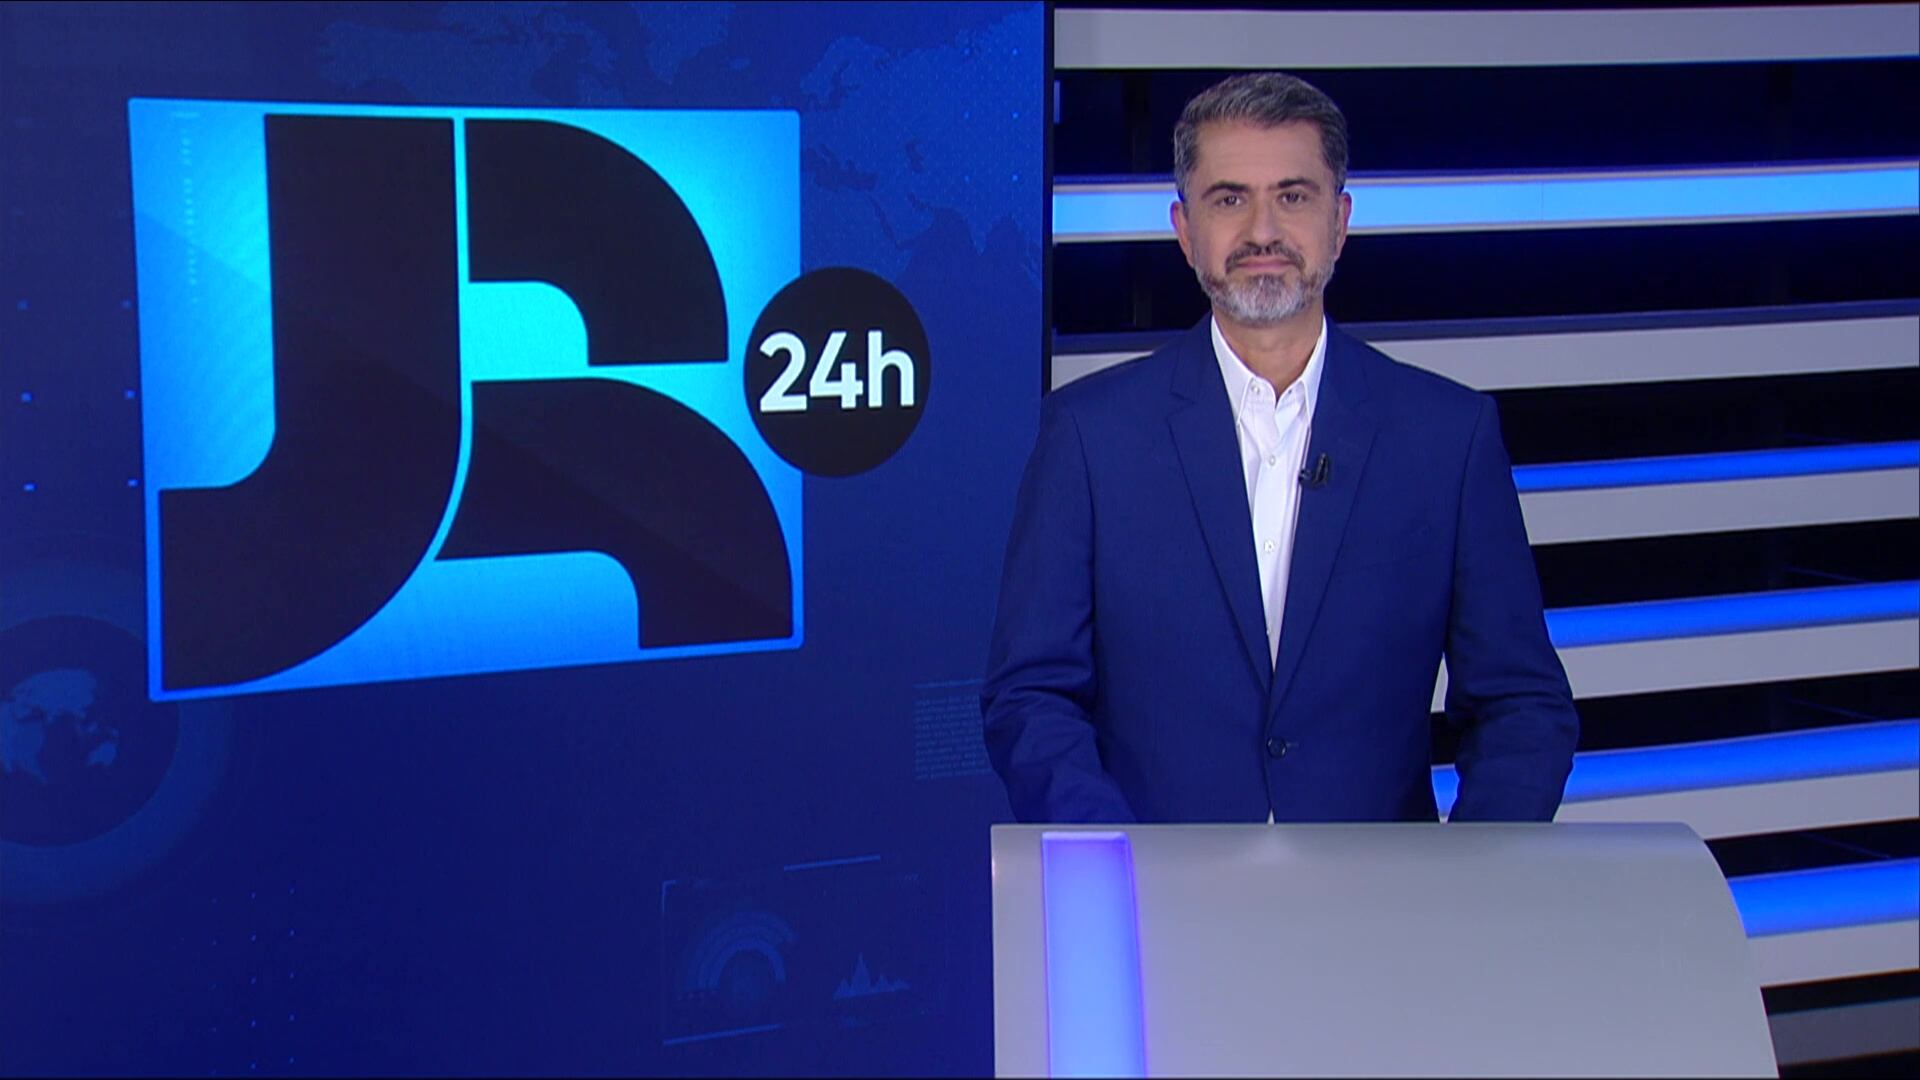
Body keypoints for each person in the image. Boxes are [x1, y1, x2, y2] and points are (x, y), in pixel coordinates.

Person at [982, 72, 1578, 824]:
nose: (1262, 232)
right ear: (1184, 230)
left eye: (1293, 196)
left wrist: (1465, 879)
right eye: (1229, 199)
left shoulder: (1447, 437)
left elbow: (1522, 706)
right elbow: (1030, 696)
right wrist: (1113, 869)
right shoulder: (1088, 435)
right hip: (1157, 887)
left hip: (1376, 888)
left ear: (1340, 221)